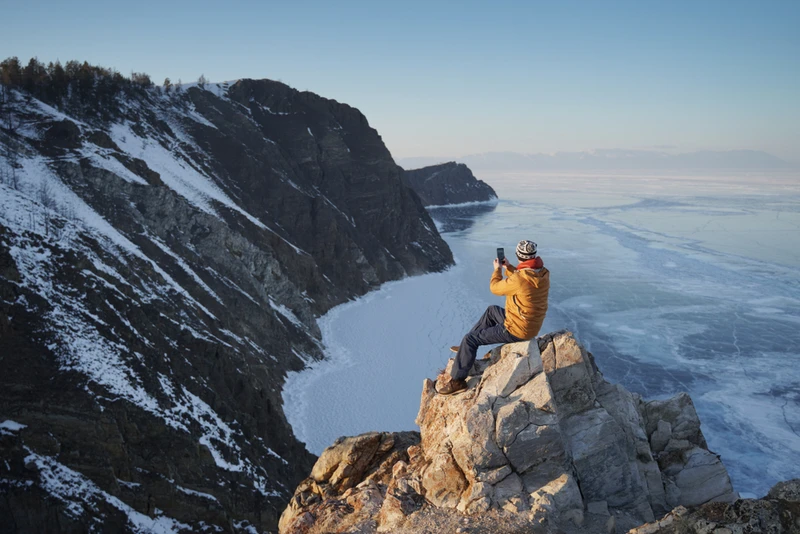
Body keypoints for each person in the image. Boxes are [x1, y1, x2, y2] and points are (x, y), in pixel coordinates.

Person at [437, 239, 550, 395]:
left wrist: (497, 270)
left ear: (519, 255)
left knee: (470, 339)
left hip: (517, 329)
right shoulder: (542, 273)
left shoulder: (519, 279)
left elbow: (495, 288)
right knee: (492, 311)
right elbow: (523, 280)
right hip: (530, 324)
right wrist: (509, 267)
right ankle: (466, 352)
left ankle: (457, 381)